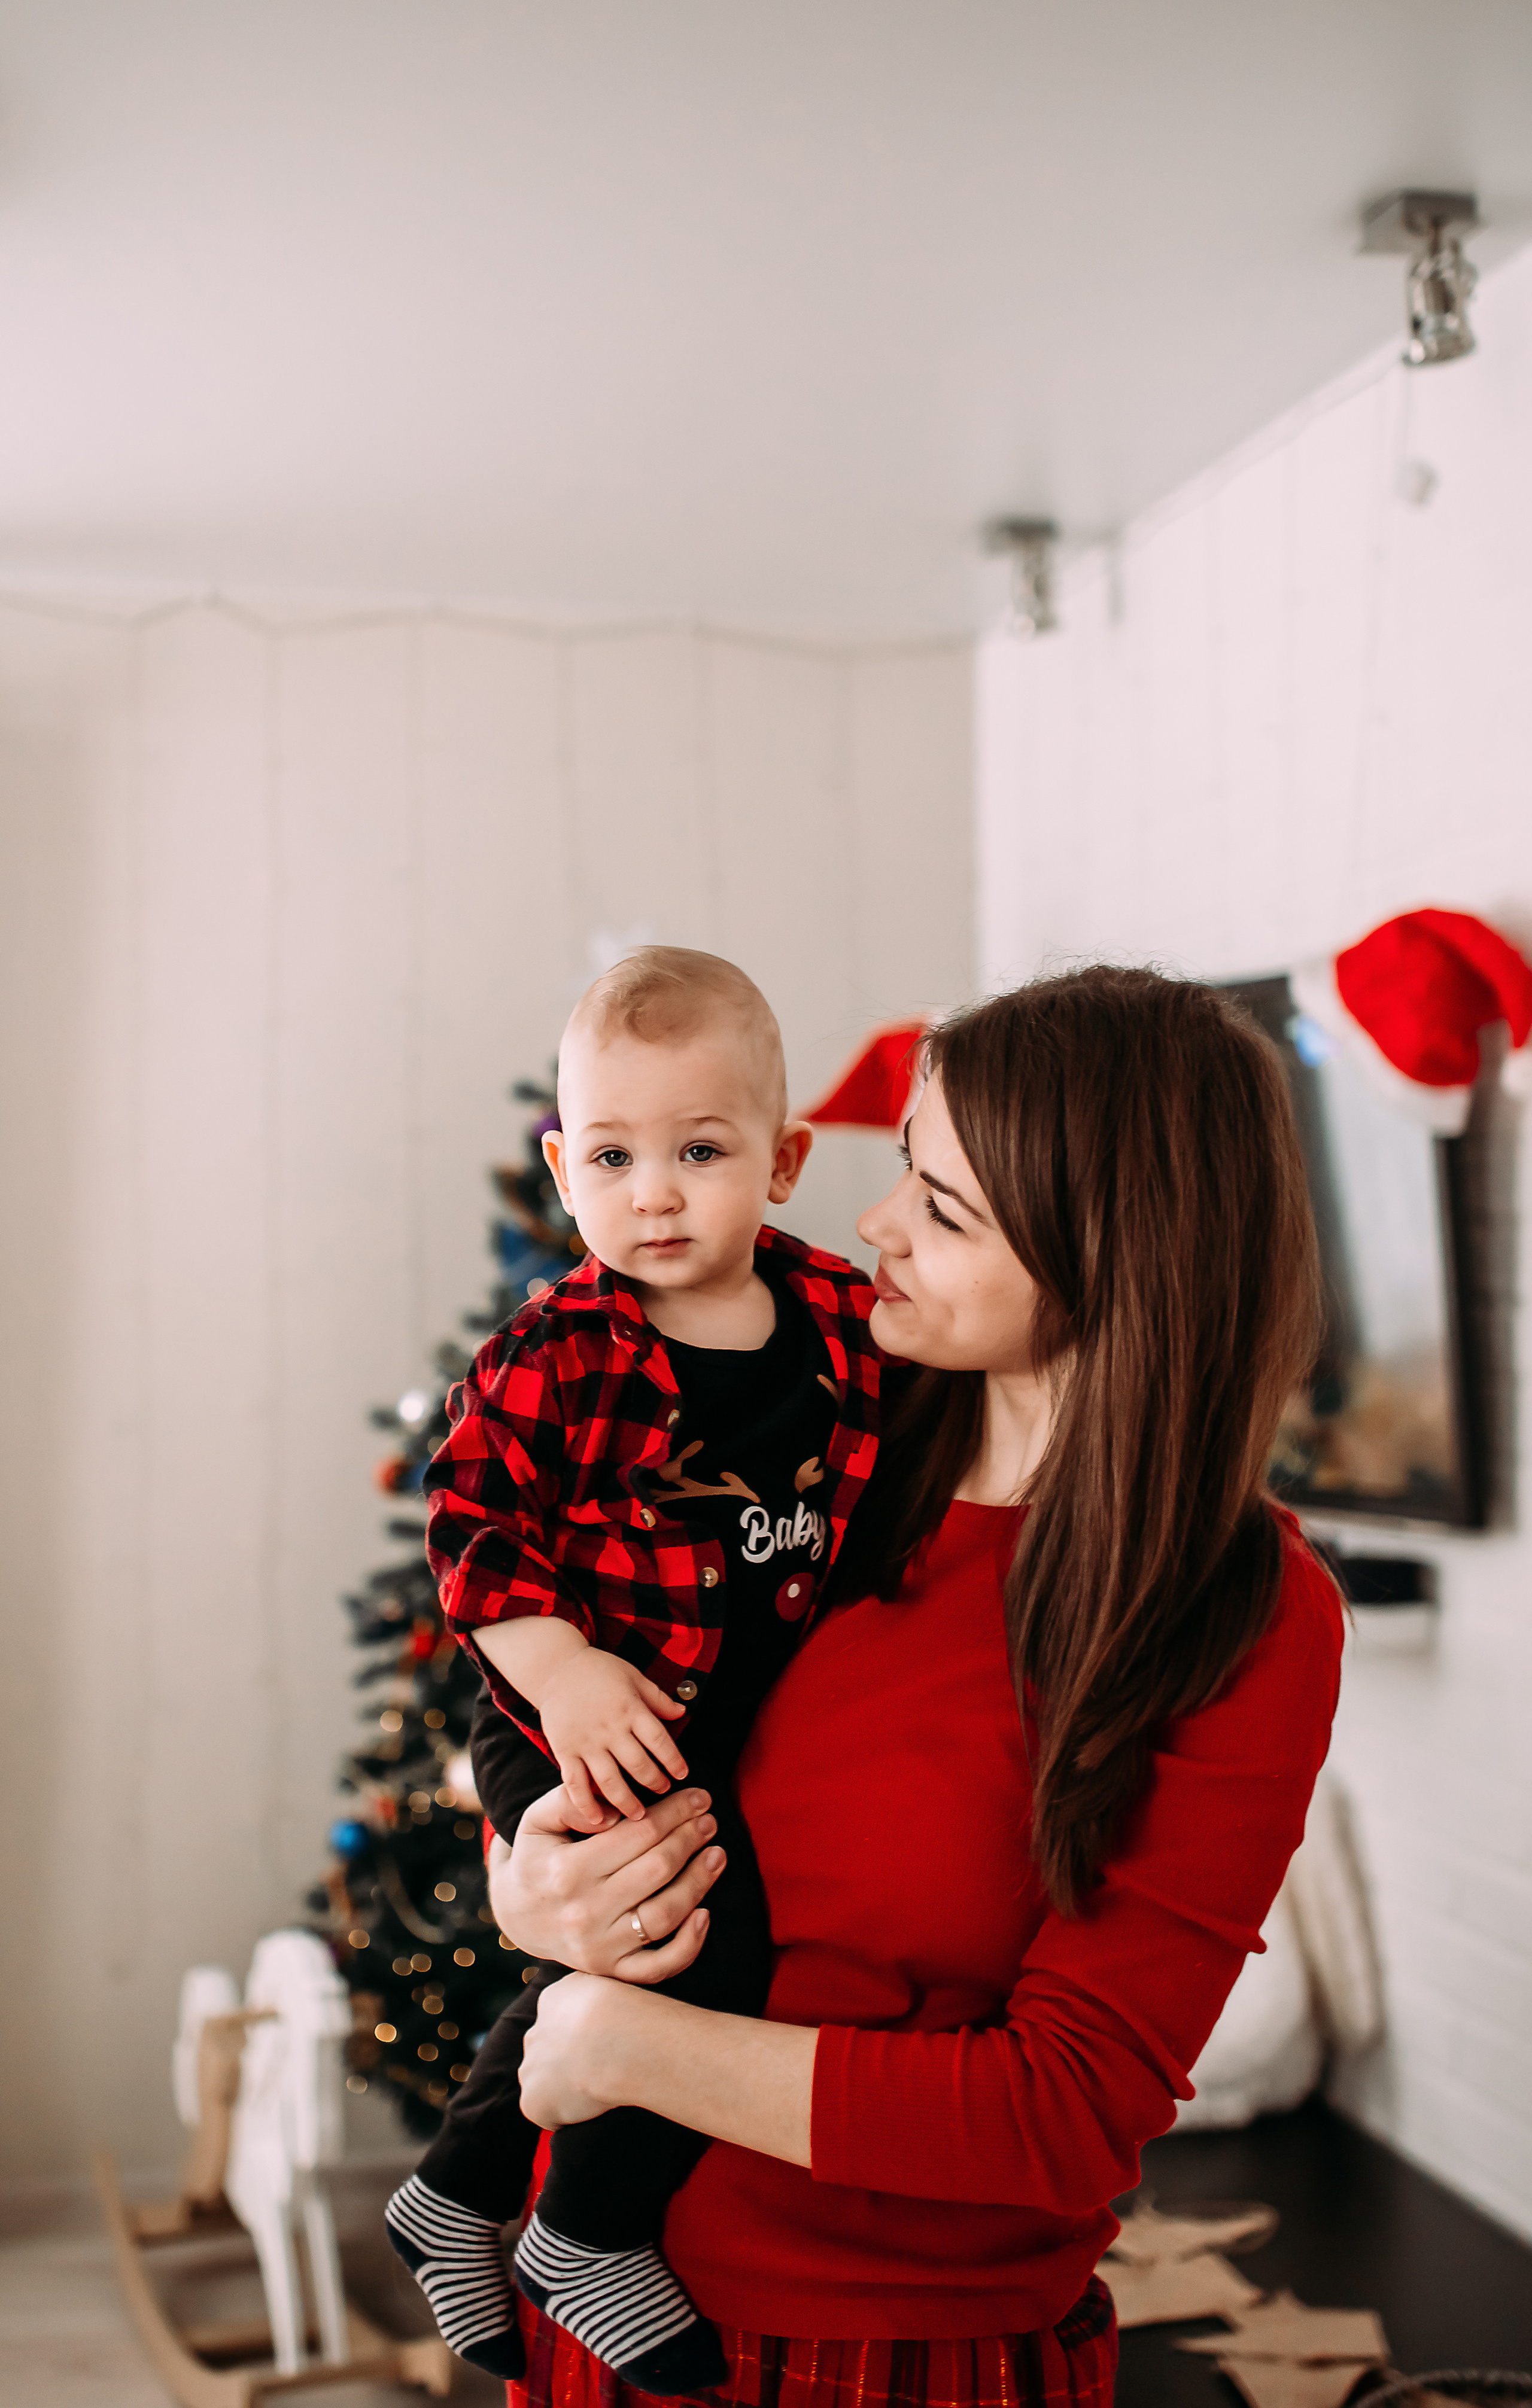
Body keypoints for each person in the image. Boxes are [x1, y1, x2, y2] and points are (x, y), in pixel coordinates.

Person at [487, 964, 1347, 2408]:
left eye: (942, 1211)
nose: (874, 1228)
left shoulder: (1237, 1611)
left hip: (881, 2357)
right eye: (903, 1173)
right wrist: (526, 1868)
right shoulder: (820, 1438)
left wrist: (623, 2040)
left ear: (1111, 1257)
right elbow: (566, 1671)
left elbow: (1062, 2114)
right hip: (589, 2290)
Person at [386, 947, 886, 2392]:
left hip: (710, 1718)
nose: (652, 1192)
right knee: (692, 1947)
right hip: (571, 1718)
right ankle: (590, 2228)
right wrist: (560, 1672)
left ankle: (459, 2191)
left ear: (782, 1160)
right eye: (609, 1155)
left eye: (699, 1149)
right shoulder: (559, 1352)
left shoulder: (843, 1327)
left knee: (613, 1952)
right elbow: (467, 1523)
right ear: (561, 1167)